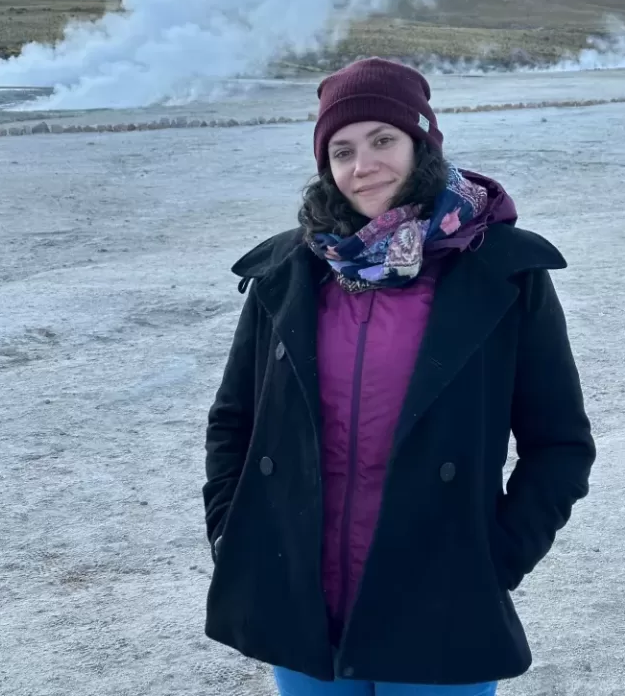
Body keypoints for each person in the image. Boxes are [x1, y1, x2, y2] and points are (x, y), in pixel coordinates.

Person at [203, 57, 597, 695]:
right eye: (342, 150)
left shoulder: (501, 273)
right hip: (304, 607)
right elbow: (234, 422)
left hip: (440, 603)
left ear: (422, 143)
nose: (364, 166)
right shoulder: (288, 273)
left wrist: (497, 557)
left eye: (383, 139)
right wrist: (232, 529)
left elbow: (560, 443)